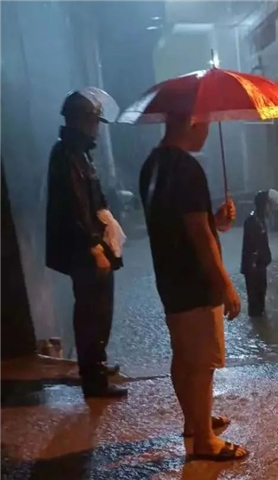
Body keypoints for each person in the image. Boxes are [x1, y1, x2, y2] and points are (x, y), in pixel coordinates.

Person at [139, 114, 247, 461]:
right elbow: (198, 234)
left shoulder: (153, 165)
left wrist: (216, 220)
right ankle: (204, 440)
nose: (208, 130)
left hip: (169, 278)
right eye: (207, 122)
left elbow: (182, 223)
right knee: (202, 363)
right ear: (193, 122)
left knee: (184, 355)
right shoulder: (187, 168)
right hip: (196, 281)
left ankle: (194, 420)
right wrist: (225, 283)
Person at [46, 88, 127, 399]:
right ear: (81, 120)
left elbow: (91, 201)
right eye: (94, 121)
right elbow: (75, 205)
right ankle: (94, 380)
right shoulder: (67, 154)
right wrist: (94, 246)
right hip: (84, 249)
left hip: (91, 245)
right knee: (92, 313)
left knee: (99, 310)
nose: (97, 128)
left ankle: (97, 365)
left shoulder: (78, 153)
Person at [241, 190, 272, 317]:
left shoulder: (261, 220)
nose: (270, 207)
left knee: (261, 299)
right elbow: (252, 247)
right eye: (268, 204)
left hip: (260, 265)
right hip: (253, 269)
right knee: (255, 303)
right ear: (263, 205)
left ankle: (261, 324)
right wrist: (253, 267)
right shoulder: (252, 222)